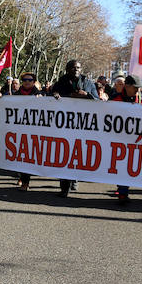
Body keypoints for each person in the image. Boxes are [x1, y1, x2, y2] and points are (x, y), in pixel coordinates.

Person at [52, 59, 98, 197]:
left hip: (83, 125)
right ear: (67, 69)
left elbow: (97, 100)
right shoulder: (61, 82)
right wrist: (58, 95)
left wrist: (86, 95)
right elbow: (52, 95)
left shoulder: (88, 83)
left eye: (78, 67)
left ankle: (75, 178)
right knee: (65, 154)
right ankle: (64, 187)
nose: (76, 70)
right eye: (73, 68)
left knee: (78, 153)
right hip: (65, 125)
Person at [111, 75, 142, 204]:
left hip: (138, 139)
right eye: (135, 88)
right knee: (122, 165)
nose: (138, 90)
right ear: (127, 87)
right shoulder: (114, 100)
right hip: (119, 139)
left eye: (139, 88)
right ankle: (122, 192)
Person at [12, 71, 44, 191]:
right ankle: (23, 178)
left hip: (34, 132)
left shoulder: (40, 95)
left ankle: (25, 181)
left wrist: (42, 100)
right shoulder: (16, 95)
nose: (27, 82)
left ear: (34, 82)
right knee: (21, 155)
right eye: (25, 80)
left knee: (29, 156)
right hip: (19, 131)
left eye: (29, 80)